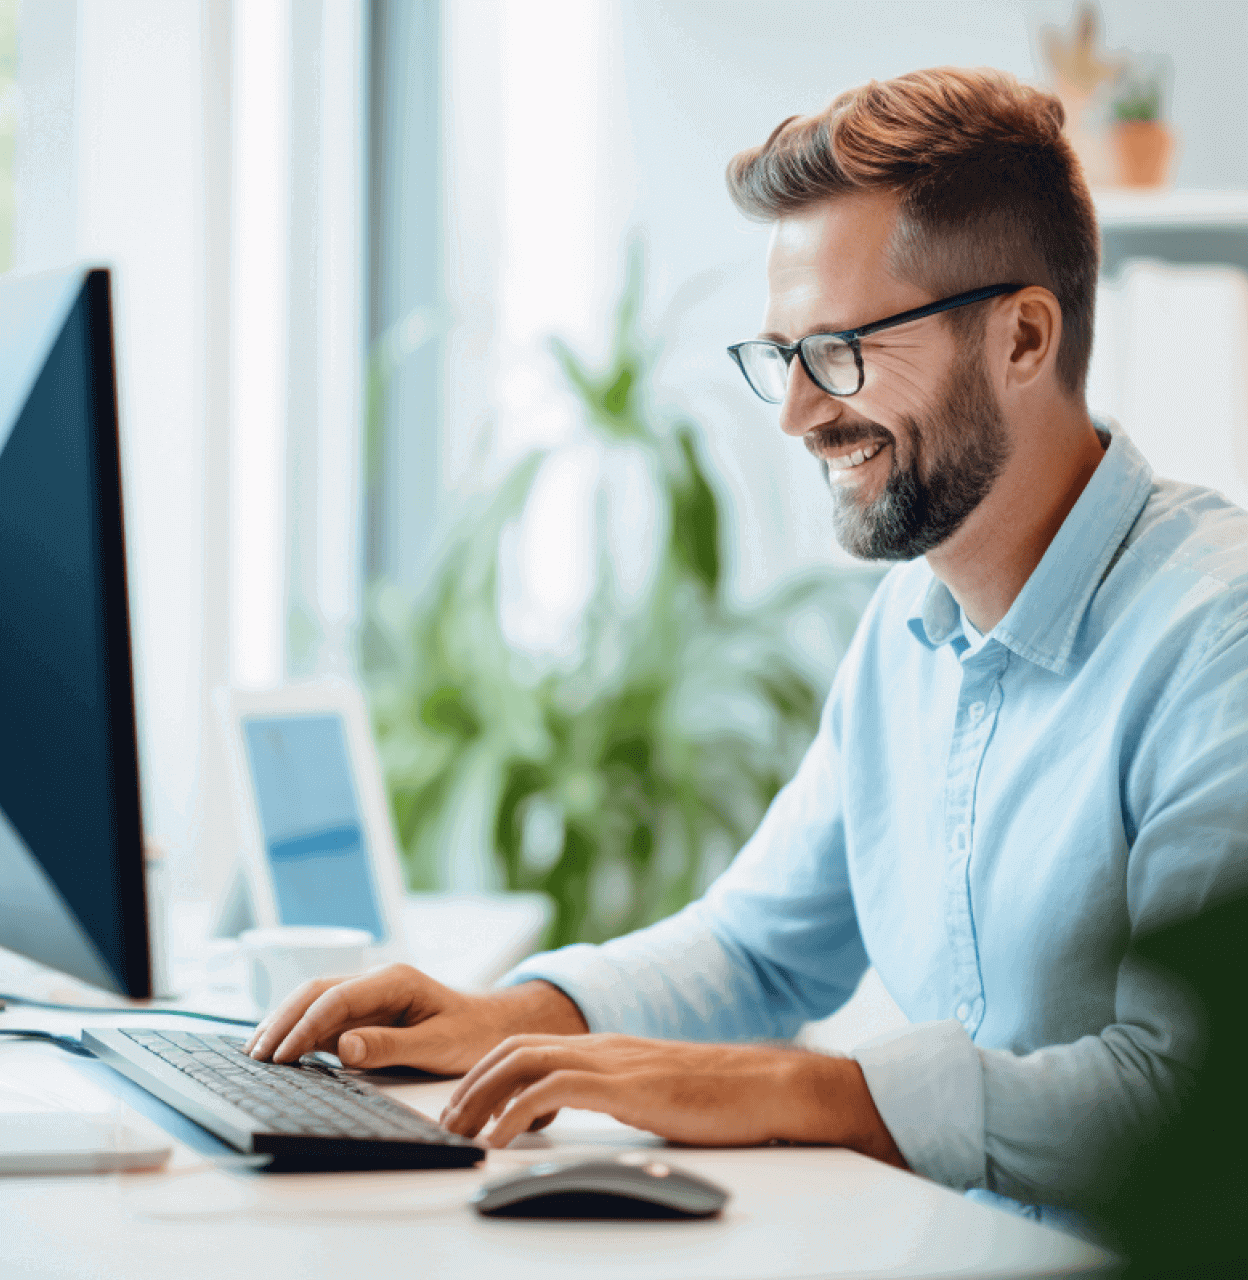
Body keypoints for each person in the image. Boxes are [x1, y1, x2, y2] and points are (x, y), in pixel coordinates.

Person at [246, 67, 1248, 1225]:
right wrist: (510, 1013)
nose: (797, 413)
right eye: (784, 354)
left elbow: (1194, 1100)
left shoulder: (1216, 641)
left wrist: (815, 1091)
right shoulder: (905, 639)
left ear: (1023, 336)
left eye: (843, 349)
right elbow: (757, 949)